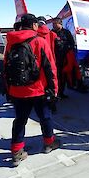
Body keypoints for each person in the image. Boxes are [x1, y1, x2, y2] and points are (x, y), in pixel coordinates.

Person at [4, 14, 60, 167]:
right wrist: (54, 89)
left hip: (17, 90)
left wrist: (8, 89)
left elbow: (6, 68)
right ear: (34, 25)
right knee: (45, 117)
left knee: (20, 121)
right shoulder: (40, 41)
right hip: (38, 90)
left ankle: (16, 152)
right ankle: (49, 143)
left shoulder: (11, 43)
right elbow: (50, 67)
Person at [52, 17, 88, 98]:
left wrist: (65, 47)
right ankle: (57, 93)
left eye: (55, 23)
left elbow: (72, 44)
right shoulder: (51, 33)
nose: (53, 25)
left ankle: (62, 92)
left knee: (66, 76)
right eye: (53, 24)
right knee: (58, 77)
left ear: (60, 23)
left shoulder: (66, 32)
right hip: (56, 59)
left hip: (66, 58)